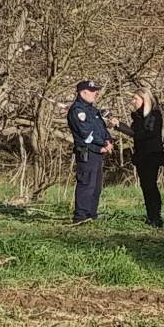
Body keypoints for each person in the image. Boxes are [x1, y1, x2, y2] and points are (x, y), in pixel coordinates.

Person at [66, 78, 113, 224]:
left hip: (98, 152)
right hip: (87, 151)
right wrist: (101, 143)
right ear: (83, 92)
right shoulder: (77, 111)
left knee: (96, 185)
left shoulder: (93, 110)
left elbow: (101, 128)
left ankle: (92, 213)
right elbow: (86, 132)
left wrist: (108, 140)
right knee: (86, 183)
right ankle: (80, 216)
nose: (95, 93)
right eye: (92, 91)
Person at [128, 88, 164, 228]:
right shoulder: (137, 116)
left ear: (144, 100)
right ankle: (150, 215)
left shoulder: (154, 115)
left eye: (135, 99)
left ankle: (156, 216)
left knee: (151, 185)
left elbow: (144, 134)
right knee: (145, 186)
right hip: (141, 156)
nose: (133, 102)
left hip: (151, 156)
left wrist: (121, 127)